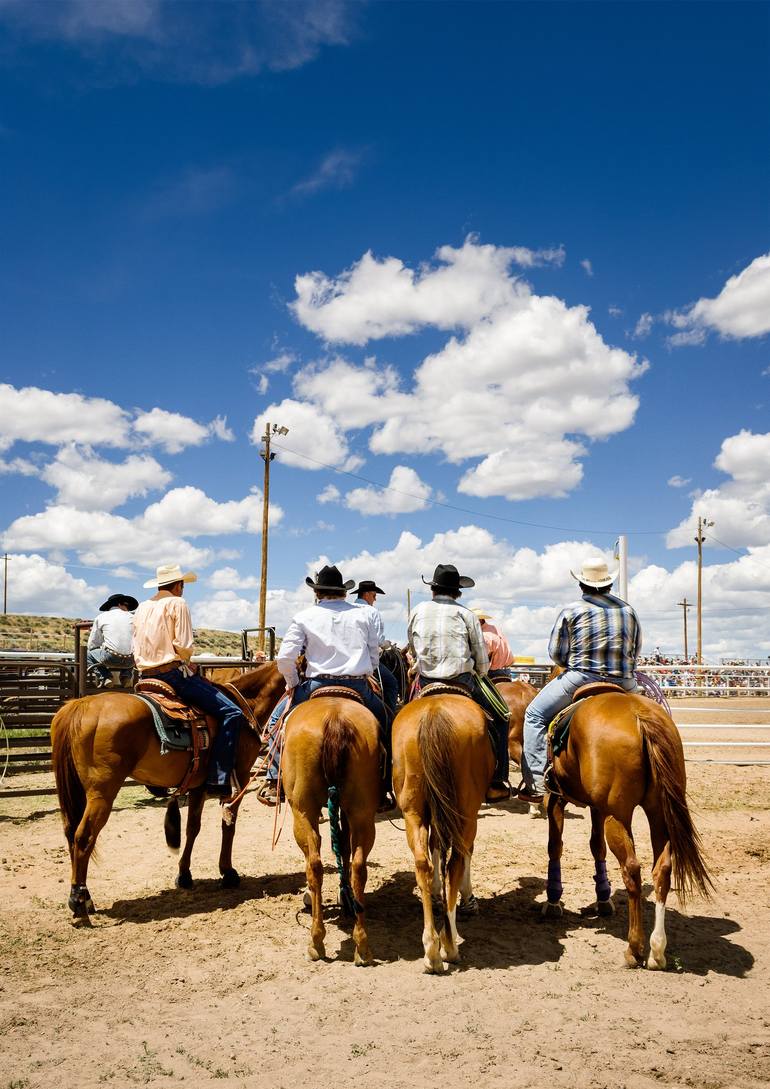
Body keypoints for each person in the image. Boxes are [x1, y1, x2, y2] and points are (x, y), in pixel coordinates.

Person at [518, 557, 642, 803]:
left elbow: (556, 654)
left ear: (582, 585)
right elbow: (636, 650)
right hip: (625, 682)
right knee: (653, 716)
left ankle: (536, 783)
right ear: (609, 584)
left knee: (533, 715)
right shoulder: (628, 610)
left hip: (581, 678)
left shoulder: (571, 611)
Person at [259, 565, 384, 807]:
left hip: (316, 685)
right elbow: (373, 652)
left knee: (274, 725)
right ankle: (385, 783)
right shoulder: (364, 615)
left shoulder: (305, 616)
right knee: (387, 723)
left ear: (317, 593)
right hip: (357, 685)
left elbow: (285, 658)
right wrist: (367, 671)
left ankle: (275, 780)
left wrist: (293, 683)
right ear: (344, 593)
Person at [131, 563, 249, 797]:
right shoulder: (178, 603)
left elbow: (135, 643)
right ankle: (218, 777)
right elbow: (184, 646)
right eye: (183, 585)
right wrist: (185, 659)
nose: (183, 589)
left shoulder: (143, 607)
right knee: (232, 713)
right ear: (178, 585)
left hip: (144, 675)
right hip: (172, 675)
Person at [407, 563, 511, 804]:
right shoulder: (467, 615)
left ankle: (395, 775)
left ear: (433, 589)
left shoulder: (418, 611)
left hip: (426, 680)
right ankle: (498, 779)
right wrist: (480, 670)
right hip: (462, 681)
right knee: (502, 717)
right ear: (458, 592)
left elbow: (412, 647)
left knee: (397, 719)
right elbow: (481, 659)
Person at [350, 579, 399, 719]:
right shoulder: (372, 611)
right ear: (366, 595)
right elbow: (377, 640)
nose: (375, 598)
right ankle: (389, 718)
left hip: (344, 658)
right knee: (391, 684)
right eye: (374, 595)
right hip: (364, 659)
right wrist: (387, 645)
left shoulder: (346, 609)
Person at [87, 593, 137, 688]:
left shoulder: (101, 617)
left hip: (110, 657)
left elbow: (93, 644)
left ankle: (105, 677)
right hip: (131, 661)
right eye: (126, 606)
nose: (127, 608)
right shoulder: (133, 617)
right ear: (119, 604)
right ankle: (126, 676)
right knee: (132, 649)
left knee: (88, 654)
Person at [472, 608, 514, 677]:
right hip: (506, 671)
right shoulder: (495, 629)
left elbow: (481, 660)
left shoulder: (484, 636)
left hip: (493, 673)